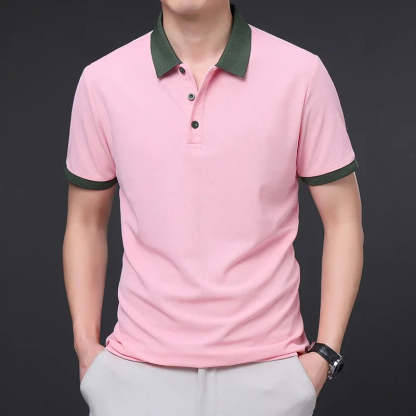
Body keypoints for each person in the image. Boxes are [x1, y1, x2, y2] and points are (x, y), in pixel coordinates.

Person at [62, 1, 364, 415]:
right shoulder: (102, 81)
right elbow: (84, 223)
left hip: (269, 378)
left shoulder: (301, 74)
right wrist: (86, 350)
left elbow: (344, 220)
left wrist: (324, 354)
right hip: (134, 378)